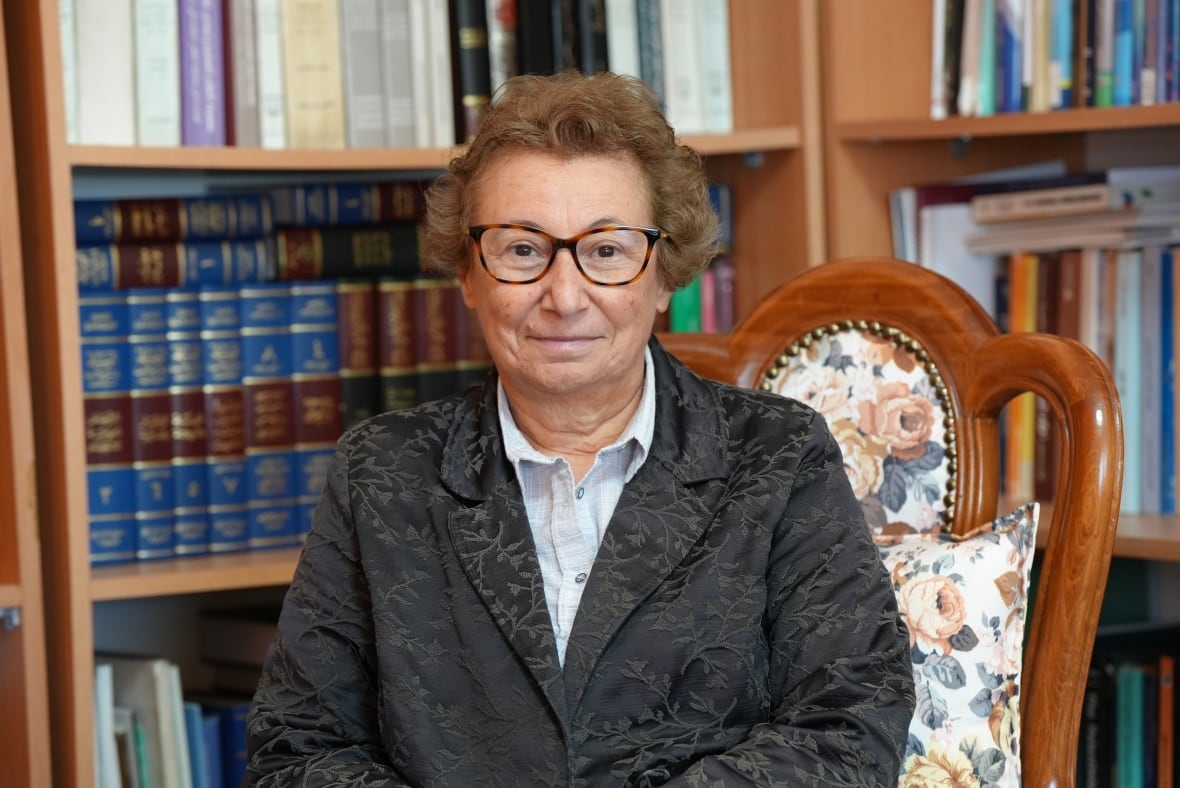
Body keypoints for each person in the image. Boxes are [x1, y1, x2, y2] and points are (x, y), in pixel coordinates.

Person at [245, 70, 915, 787]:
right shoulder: (382, 471)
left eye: (606, 250)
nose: (564, 296)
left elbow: (850, 726)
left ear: (663, 276)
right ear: (468, 276)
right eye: (522, 250)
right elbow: (299, 751)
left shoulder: (778, 458)